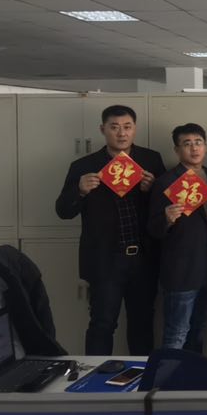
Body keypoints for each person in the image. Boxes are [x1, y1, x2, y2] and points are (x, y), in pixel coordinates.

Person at [55, 104, 165, 355]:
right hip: (106, 261)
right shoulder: (84, 166)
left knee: (142, 324)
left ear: (135, 129)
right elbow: (63, 211)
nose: (122, 133)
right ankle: (95, 378)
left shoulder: (151, 160)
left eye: (127, 127)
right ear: (102, 129)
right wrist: (80, 191)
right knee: (102, 324)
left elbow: (164, 210)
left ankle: (141, 376)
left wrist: (152, 190)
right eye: (114, 127)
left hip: (143, 259)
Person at [148, 123, 207, 353]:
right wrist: (167, 219)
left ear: (206, 146)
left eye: (198, 142)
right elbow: (153, 229)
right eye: (187, 144)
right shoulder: (166, 181)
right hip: (181, 271)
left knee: (198, 331)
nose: (194, 148)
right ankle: (168, 377)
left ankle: (191, 376)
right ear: (177, 150)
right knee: (177, 333)